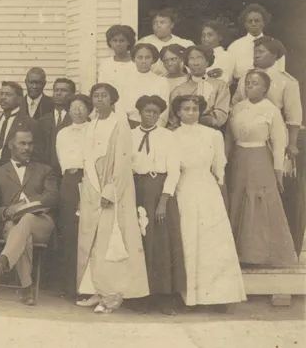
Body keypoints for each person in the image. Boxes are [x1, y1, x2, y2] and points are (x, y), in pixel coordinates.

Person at [75, 83, 148, 314]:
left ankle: (112, 297)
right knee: (92, 241)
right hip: (91, 188)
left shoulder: (120, 123)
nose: (99, 100)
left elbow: (122, 161)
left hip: (113, 190)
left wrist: (110, 190)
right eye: (95, 96)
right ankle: (96, 289)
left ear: (112, 99)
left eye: (104, 96)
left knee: (109, 242)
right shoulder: (91, 124)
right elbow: (87, 159)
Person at [170, 94, 246, 308]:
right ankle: (188, 296)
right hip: (184, 188)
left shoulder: (213, 135)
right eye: (186, 109)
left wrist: (219, 184)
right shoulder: (172, 136)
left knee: (212, 241)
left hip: (207, 188)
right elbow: (172, 167)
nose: (191, 113)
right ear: (178, 112)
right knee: (188, 238)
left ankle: (217, 296)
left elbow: (219, 165)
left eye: (195, 109)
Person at [231, 36, 304, 253]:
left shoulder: (286, 81)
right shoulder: (245, 77)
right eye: (254, 52)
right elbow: (236, 104)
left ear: (275, 55)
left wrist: (291, 145)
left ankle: (276, 246)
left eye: (261, 52)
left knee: (274, 193)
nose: (256, 55)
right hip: (247, 139)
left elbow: (293, 117)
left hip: (273, 140)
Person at [226, 70, 297, 267]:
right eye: (247, 83)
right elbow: (229, 138)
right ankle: (238, 255)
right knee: (237, 199)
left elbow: (278, 144)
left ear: (265, 87)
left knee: (258, 201)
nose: (249, 86)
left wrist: (278, 174)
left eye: (255, 83)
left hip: (260, 160)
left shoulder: (271, 110)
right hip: (238, 160)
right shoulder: (237, 108)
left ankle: (259, 255)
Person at [0, 128, 58, 306]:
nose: (27, 147)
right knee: (21, 234)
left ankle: (3, 260)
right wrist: (5, 212)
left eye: (30, 143)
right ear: (11, 145)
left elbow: (52, 197)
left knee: (26, 220)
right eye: (22, 143)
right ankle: (27, 288)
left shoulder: (45, 170)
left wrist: (23, 205)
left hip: (41, 222)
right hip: (12, 225)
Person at [131, 95, 186, 315]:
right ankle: (140, 296)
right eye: (147, 111)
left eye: (155, 112)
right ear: (140, 112)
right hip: (136, 189)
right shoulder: (130, 135)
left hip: (159, 190)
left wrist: (163, 200)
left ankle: (164, 297)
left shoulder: (167, 136)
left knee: (161, 243)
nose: (151, 115)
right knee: (139, 241)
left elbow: (174, 170)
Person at [54, 94, 90, 300]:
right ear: (68, 110)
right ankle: (69, 286)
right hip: (69, 181)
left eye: (82, 107)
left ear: (88, 110)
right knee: (68, 232)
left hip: (88, 181)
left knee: (85, 232)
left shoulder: (94, 131)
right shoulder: (63, 133)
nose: (77, 111)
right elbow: (63, 160)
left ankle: (85, 286)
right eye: (74, 107)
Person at [170, 45, 231, 130]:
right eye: (191, 59)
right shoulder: (178, 90)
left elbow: (221, 114)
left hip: (211, 131)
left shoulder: (220, 86)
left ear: (207, 62)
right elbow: (174, 118)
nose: (196, 63)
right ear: (187, 63)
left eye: (200, 58)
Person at [228, 4, 284, 81]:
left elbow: (281, 72)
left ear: (264, 22)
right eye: (250, 21)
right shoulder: (234, 47)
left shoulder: (274, 44)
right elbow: (229, 75)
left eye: (257, 21)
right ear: (245, 24)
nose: (253, 24)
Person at [0, 81, 36, 172]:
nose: (3, 97)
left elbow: (35, 155)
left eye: (8, 95)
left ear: (19, 99)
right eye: (1, 94)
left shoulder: (29, 123)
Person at [120, 43, 168, 126]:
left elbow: (164, 111)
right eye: (140, 57)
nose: (143, 61)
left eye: (147, 57)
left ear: (153, 60)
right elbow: (120, 108)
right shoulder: (125, 80)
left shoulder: (162, 81)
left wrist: (157, 129)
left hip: (154, 125)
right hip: (130, 125)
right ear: (134, 59)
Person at [139, 9, 194, 77]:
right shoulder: (144, 42)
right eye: (155, 23)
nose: (158, 25)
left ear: (171, 25)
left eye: (162, 22)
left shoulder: (185, 44)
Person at [36, 78, 75, 169]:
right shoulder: (42, 121)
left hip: (68, 170)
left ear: (72, 95)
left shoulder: (76, 120)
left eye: (63, 90)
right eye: (56, 90)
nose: (58, 93)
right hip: (46, 172)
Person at [98, 25, 137, 93]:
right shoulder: (105, 64)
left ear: (128, 42)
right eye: (115, 40)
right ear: (110, 42)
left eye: (122, 41)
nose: (118, 44)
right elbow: (102, 88)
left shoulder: (136, 62)